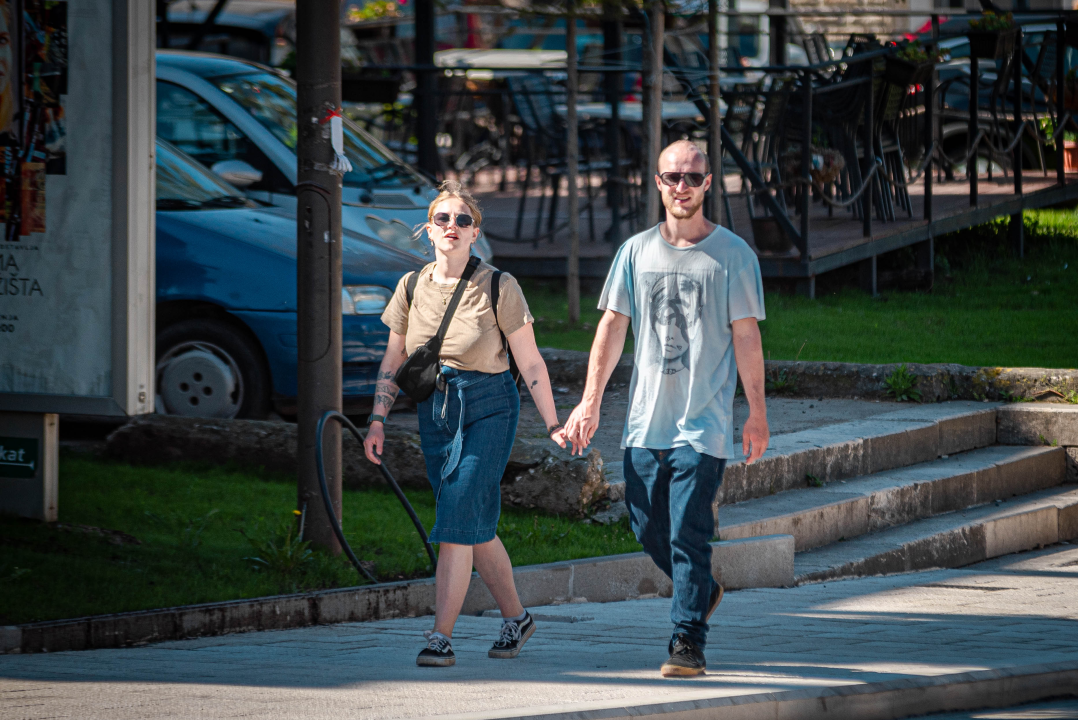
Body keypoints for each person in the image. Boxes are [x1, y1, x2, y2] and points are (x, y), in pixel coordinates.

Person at [564, 140, 769, 677]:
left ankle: (687, 642)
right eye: (672, 177)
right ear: (657, 182)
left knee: (687, 530)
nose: (682, 186)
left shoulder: (733, 256)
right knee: (645, 526)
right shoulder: (635, 252)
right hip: (643, 422)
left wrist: (756, 413)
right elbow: (610, 330)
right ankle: (702, 589)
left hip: (703, 426)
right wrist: (589, 404)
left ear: (707, 184)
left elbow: (747, 338)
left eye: (693, 178)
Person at [364, 181, 573, 667]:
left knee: (456, 513)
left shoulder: (499, 286)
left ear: (474, 232)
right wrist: (376, 421)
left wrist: (553, 425)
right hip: (435, 410)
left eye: (462, 221)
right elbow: (393, 360)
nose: (452, 228)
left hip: (490, 406)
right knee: (474, 523)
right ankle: (517, 618)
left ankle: (440, 635)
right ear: (429, 229)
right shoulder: (411, 286)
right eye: (443, 219)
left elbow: (533, 364)